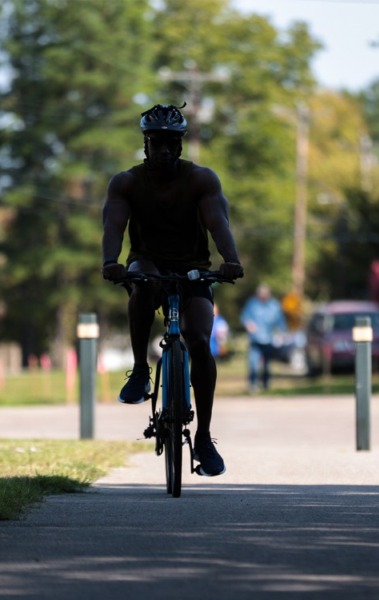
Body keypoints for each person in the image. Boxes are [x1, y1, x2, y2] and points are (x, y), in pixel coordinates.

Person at [101, 103, 243, 477]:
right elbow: (113, 225)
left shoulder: (201, 180)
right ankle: (138, 370)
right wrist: (110, 261)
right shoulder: (127, 182)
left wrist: (231, 259)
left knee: (198, 340)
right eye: (156, 142)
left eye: (171, 143)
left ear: (181, 146)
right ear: (145, 144)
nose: (163, 149)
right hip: (148, 262)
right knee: (140, 284)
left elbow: (218, 221)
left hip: (193, 268)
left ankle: (205, 437)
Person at [240, 284, 287, 392]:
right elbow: (245, 317)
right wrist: (248, 324)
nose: (263, 296)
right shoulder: (252, 303)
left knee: (267, 364)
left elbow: (280, 322)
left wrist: (282, 334)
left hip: (268, 339)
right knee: (253, 363)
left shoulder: (274, 305)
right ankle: (252, 384)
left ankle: (266, 384)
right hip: (255, 339)